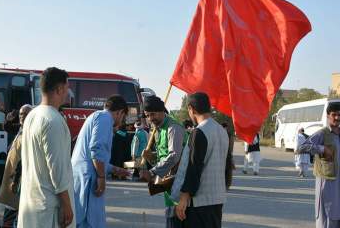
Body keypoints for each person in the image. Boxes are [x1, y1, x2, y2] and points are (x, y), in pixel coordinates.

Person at [18, 67, 75, 228]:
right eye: (67, 87)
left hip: (32, 206)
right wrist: (67, 205)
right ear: (59, 89)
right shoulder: (53, 120)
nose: (68, 92)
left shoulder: (32, 116)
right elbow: (57, 168)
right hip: (50, 210)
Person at [71, 95, 131, 228]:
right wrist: (101, 177)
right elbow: (96, 151)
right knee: (89, 222)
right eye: (123, 118)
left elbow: (97, 158)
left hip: (83, 176)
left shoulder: (96, 116)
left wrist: (116, 169)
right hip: (88, 180)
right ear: (120, 112)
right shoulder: (105, 119)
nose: (121, 122)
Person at [173, 92, 229, 228]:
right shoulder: (222, 131)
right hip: (217, 198)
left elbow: (194, 166)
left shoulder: (199, 131)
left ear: (191, 109)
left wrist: (184, 195)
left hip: (199, 202)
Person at [298, 103, 340, 228]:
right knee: (326, 213)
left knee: (338, 212)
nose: (336, 118)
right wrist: (322, 148)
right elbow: (301, 147)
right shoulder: (322, 133)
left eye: (339, 115)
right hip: (327, 181)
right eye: (333, 115)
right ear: (328, 116)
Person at [139, 95, 185, 226]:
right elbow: (163, 156)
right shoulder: (158, 129)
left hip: (179, 183)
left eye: (152, 114)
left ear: (161, 111)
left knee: (175, 220)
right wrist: (151, 156)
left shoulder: (173, 128)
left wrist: (152, 172)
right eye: (147, 115)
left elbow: (174, 156)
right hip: (168, 182)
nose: (150, 119)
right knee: (171, 217)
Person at [0, 104, 32, 228]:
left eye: (26, 114)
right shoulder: (21, 128)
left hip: (17, 181)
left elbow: (23, 160)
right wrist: (9, 118)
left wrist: (16, 181)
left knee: (12, 210)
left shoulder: (30, 132)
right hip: (12, 178)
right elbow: (7, 127)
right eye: (21, 114)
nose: (23, 117)